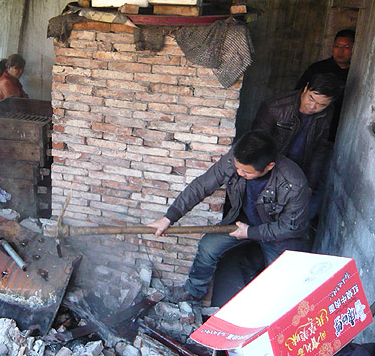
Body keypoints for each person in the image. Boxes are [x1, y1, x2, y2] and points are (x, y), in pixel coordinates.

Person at [147, 131, 310, 321]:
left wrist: (250, 232)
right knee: (208, 246)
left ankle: (271, 316)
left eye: (247, 172)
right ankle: (193, 291)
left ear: (269, 166)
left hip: (277, 233)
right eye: (238, 168)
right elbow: (201, 186)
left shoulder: (293, 182)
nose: (239, 173)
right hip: (241, 221)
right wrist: (169, 218)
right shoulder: (234, 160)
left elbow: (292, 227)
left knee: (282, 284)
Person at [253, 73, 342, 202]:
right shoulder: (275, 106)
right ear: (306, 88)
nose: (312, 106)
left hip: (299, 170)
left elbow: (319, 149)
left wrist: (310, 184)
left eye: (322, 105)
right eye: (311, 98)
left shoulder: (327, 113)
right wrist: (260, 172)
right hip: (271, 167)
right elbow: (258, 142)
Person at [295, 29, 355, 142]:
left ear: (355, 49)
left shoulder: (356, 73)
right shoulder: (317, 69)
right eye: (337, 46)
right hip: (313, 122)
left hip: (342, 125)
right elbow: (297, 93)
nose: (340, 51)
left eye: (346, 47)